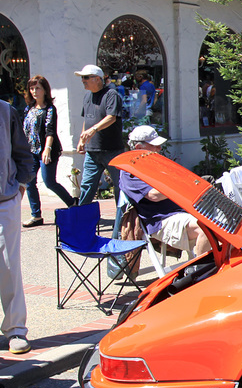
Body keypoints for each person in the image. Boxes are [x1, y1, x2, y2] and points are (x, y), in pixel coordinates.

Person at [119, 126, 211, 255]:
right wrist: (183, 184)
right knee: (206, 228)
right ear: (139, 148)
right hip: (161, 220)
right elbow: (154, 195)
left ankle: (224, 268)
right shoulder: (130, 172)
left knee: (226, 222)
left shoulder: (156, 164)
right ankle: (202, 272)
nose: (159, 148)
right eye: (155, 145)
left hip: (182, 211)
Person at [0, 97, 34, 354]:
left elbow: (22, 151)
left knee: (8, 266)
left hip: (4, 199)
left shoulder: (5, 110)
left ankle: (15, 330)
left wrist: (21, 184)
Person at [21, 75, 76, 227]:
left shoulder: (50, 109)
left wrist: (47, 149)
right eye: (32, 88)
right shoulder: (29, 109)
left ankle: (72, 203)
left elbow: (50, 131)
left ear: (45, 90)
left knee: (49, 181)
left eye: (37, 88)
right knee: (29, 182)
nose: (34, 91)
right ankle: (36, 215)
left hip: (47, 150)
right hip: (30, 151)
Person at [75, 64, 124, 206]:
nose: (83, 80)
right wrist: (81, 140)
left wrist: (94, 129)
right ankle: (82, 218)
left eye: (85, 77)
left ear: (97, 79)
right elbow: (87, 120)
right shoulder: (87, 96)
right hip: (92, 151)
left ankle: (123, 221)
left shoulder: (111, 95)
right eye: (82, 78)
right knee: (87, 186)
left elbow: (112, 117)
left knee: (120, 186)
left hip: (112, 150)